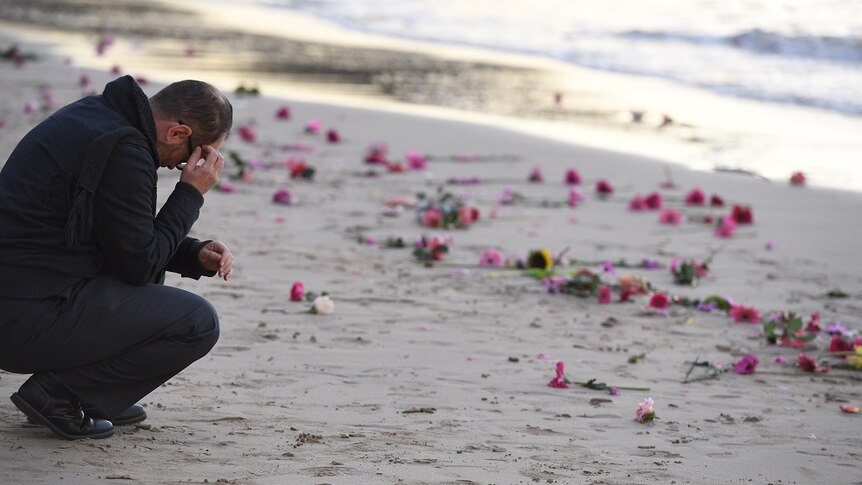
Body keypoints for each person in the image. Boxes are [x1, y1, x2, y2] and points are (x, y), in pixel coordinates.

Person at [0, 75, 234, 440]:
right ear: (177, 133)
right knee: (198, 322)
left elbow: (120, 234)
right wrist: (190, 194)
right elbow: (138, 263)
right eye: (193, 156)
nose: (179, 168)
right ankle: (59, 394)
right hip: (21, 318)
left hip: (21, 300)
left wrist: (192, 253)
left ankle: (92, 393)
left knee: (147, 285)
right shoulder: (125, 148)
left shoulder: (100, 114)